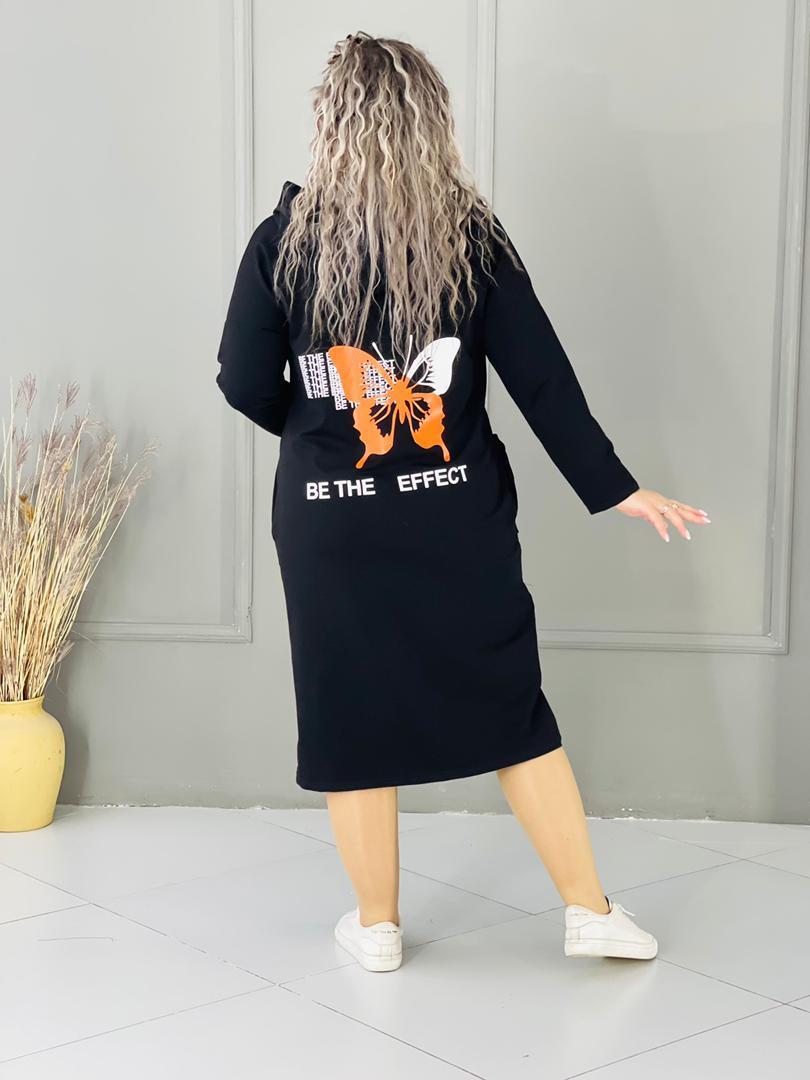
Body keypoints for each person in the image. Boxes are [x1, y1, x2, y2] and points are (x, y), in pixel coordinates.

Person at [216, 31, 710, 973]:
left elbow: (243, 380)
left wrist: (316, 427)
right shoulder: (470, 237)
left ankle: (377, 928)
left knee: (350, 712)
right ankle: (590, 913)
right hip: (458, 518)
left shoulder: (283, 241)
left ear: (330, 124)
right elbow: (542, 380)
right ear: (432, 125)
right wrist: (615, 488)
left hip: (330, 522)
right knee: (511, 706)